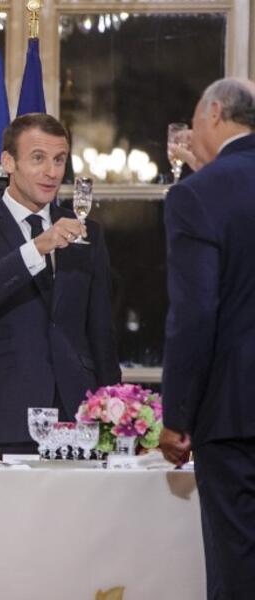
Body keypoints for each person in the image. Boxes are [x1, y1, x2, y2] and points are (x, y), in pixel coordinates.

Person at [0, 113, 120, 456]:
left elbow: (101, 332)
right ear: (9, 162)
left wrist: (115, 410)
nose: (52, 172)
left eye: (59, 159)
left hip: (78, 420)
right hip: (1, 419)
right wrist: (37, 248)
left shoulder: (87, 233)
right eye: (38, 158)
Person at [159, 77, 255, 599]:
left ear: (215, 113)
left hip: (235, 415)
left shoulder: (197, 195)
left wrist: (177, 416)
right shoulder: (207, 185)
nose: (192, 133)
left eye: (195, 122)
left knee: (238, 566)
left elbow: (195, 315)